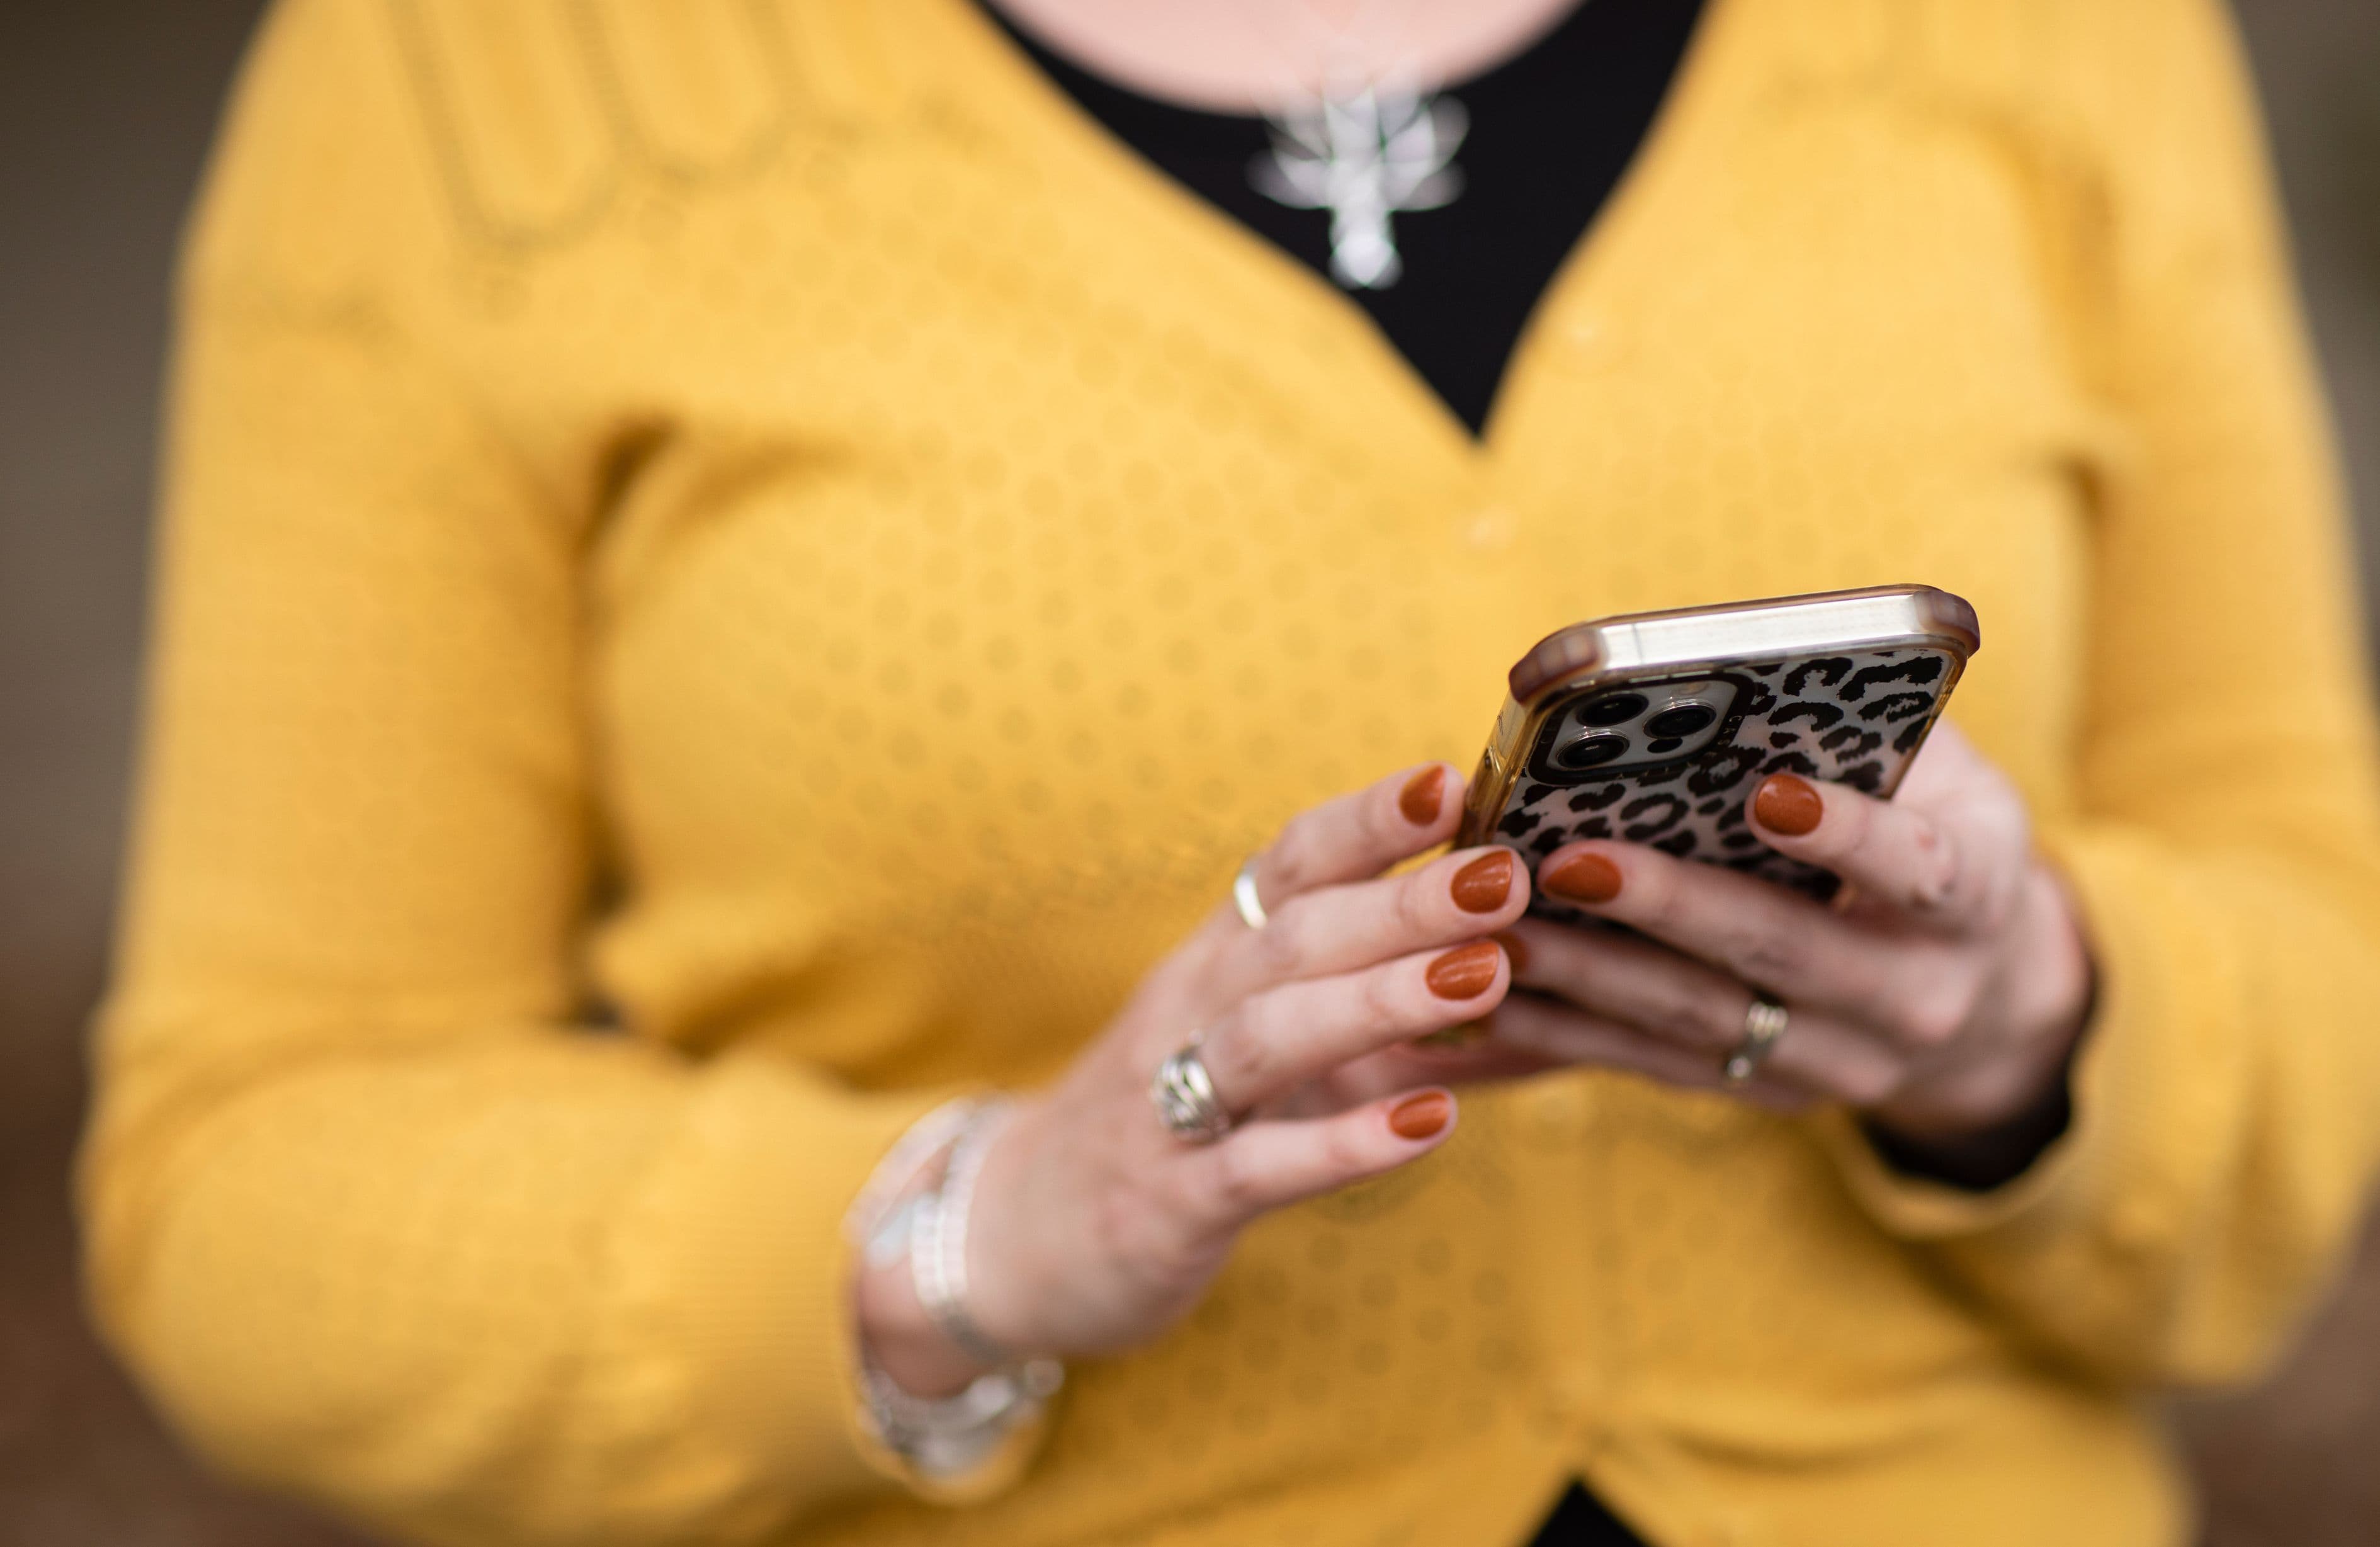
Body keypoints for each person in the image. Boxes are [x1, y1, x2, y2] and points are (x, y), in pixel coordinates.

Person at [79, 0, 2380, 1543]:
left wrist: (2034, 1032)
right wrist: (964, 1234)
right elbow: (249, 1162)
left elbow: (2312, 954)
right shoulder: (478, 77)